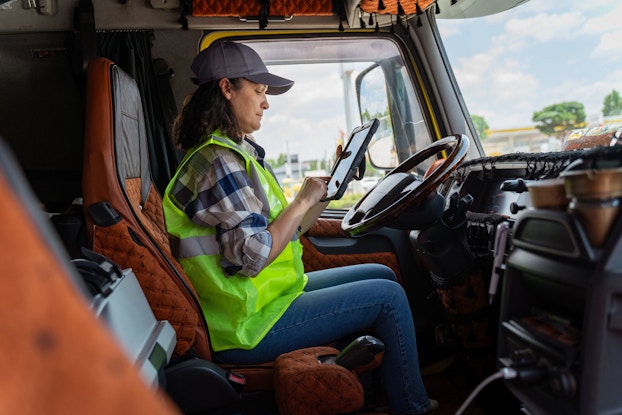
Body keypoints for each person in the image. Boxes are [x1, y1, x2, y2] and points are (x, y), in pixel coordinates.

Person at [162, 40, 435, 414]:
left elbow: (290, 231)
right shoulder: (217, 162)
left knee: (381, 273)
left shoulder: (235, 155)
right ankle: (414, 408)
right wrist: (301, 200)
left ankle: (391, 393)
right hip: (247, 326)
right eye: (258, 91)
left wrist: (322, 194)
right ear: (227, 89)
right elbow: (252, 256)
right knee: (388, 297)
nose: (266, 102)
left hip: (265, 302)